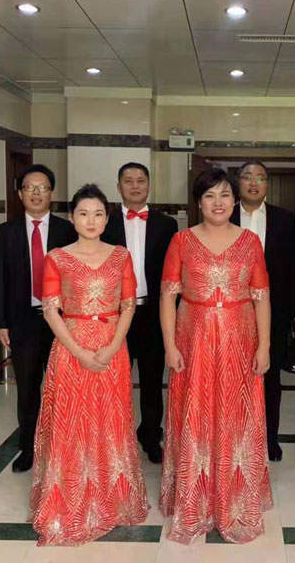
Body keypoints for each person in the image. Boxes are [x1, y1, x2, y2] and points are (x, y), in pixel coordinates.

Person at [159, 168, 272, 544]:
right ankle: (195, 496)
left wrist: (264, 345)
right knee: (195, 412)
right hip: (193, 338)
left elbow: (261, 297)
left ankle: (235, 494)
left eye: (225, 195)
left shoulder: (250, 241)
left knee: (236, 414)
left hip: (240, 338)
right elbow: (168, 296)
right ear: (199, 202)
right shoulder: (181, 240)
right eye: (210, 196)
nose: (218, 202)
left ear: (235, 200)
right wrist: (170, 345)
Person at [31, 184, 148, 545]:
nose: (91, 221)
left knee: (111, 420)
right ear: (72, 218)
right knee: (71, 422)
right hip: (71, 349)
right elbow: (50, 310)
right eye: (83, 213)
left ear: (107, 219)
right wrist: (79, 352)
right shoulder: (57, 257)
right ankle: (71, 499)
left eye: (98, 214)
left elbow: (128, 304)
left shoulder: (120, 256)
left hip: (112, 347)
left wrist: (112, 347)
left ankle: (113, 498)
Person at [0, 164, 77, 473]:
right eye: (30, 187)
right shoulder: (6, 232)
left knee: (63, 387)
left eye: (42, 187)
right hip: (23, 321)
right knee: (27, 388)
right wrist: (1, 322)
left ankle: (62, 448)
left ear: (52, 192)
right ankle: (28, 449)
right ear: (20, 194)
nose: (36, 193)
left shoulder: (67, 230)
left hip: (62, 321)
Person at [101, 162, 178, 464]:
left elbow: (173, 272)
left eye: (141, 180)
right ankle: (115, 438)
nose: (135, 186)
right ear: (118, 186)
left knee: (151, 379)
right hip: (115, 313)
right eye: (128, 181)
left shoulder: (167, 224)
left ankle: (151, 436)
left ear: (149, 185)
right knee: (114, 380)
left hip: (152, 313)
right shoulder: (104, 222)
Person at [230, 161, 295, 462]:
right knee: (233, 377)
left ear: (267, 184)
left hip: (275, 311)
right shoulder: (224, 214)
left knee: (270, 377)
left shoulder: (285, 219)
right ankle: (235, 437)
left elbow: (294, 267)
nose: (253, 183)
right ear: (238, 182)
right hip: (233, 311)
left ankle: (269, 438)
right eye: (247, 177)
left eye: (260, 178)